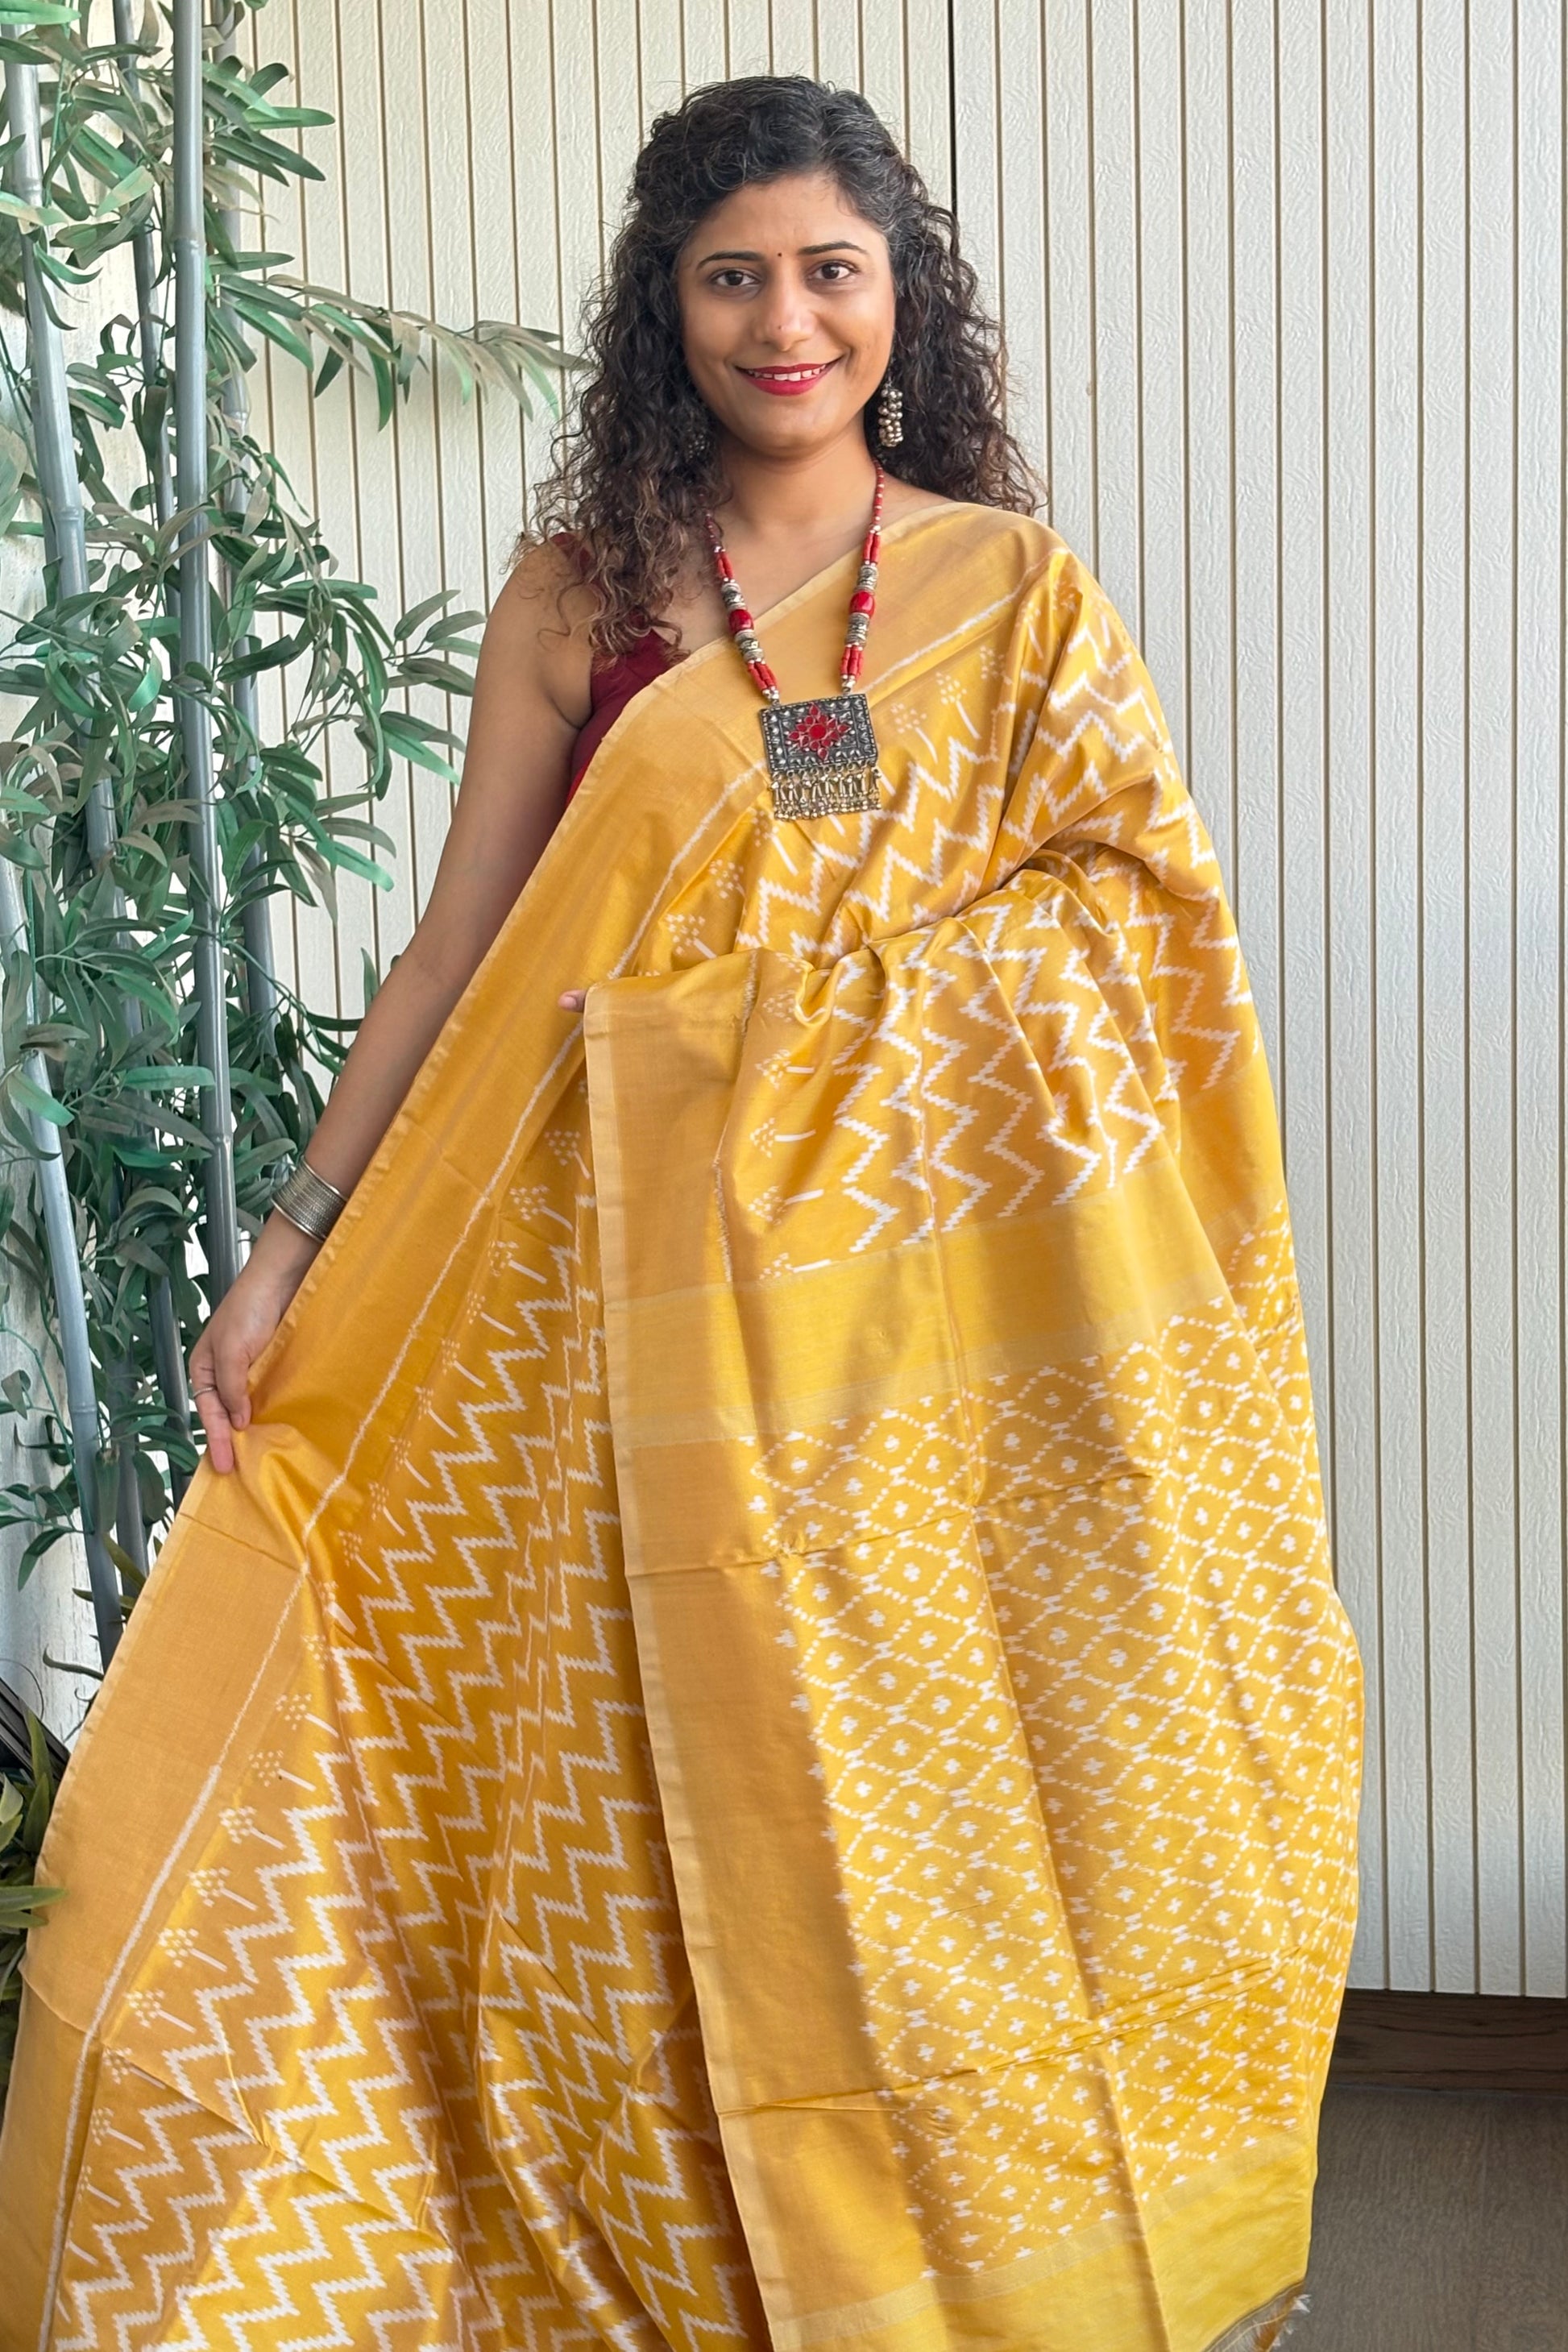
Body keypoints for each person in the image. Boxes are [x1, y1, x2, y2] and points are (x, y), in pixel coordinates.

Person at [0, 75, 1362, 2352]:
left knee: (902, 1819)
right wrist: (288, 1252)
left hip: (899, 1374)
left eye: (829, 269)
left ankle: (939, 2262)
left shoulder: (1008, 600)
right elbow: (455, 960)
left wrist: (793, 1038)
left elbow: (1144, 930)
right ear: (665, 307)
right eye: (732, 277)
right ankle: (666, 2259)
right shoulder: (580, 601)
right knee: (631, 1807)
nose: (784, 320)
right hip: (601, 1327)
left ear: (901, 296)